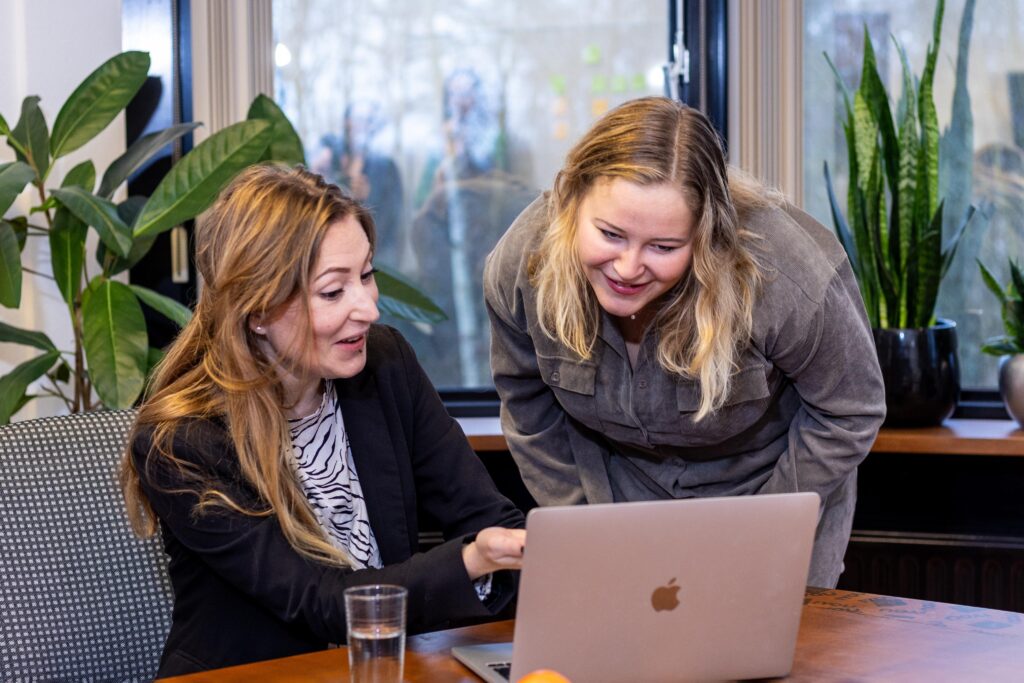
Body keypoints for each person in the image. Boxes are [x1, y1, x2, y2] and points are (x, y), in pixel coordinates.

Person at [121, 165, 525, 677]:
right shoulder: (181, 443)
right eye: (333, 292)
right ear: (258, 311)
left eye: (367, 274)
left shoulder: (385, 366)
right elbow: (321, 602)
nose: (369, 309)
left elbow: (487, 517)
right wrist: (472, 560)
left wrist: (507, 550)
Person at [483, 97, 885, 589]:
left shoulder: (786, 273)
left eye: (664, 247)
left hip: (767, 490)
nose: (629, 268)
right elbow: (526, 403)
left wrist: (765, 530)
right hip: (614, 500)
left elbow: (850, 410)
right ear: (570, 201)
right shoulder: (520, 265)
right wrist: (583, 527)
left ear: (707, 233)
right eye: (610, 234)